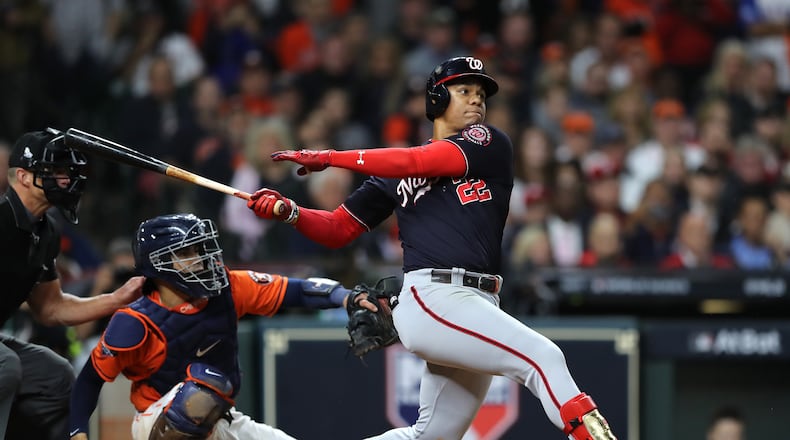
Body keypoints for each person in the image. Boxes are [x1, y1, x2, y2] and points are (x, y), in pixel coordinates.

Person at [247, 56, 617, 439]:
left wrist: (330, 157)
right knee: (543, 358)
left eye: (480, 94)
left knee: (431, 436)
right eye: (463, 91)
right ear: (437, 100)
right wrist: (290, 212)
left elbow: (416, 160)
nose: (475, 100)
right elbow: (338, 228)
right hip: (435, 295)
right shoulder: (393, 175)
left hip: (477, 301)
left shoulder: (487, 142)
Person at [68, 213, 378, 440]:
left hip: (219, 420)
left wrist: (346, 297)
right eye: (187, 253)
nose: (200, 260)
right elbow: (90, 380)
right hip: (159, 424)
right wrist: (77, 433)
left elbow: (296, 290)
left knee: (208, 393)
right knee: (201, 392)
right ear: (158, 264)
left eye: (200, 251)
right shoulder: (135, 322)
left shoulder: (227, 288)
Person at [0, 130, 144, 440]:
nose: (66, 179)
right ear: (24, 177)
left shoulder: (46, 231)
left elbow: (51, 308)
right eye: (55, 171)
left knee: (57, 375)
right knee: (6, 364)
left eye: (67, 171)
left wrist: (117, 297)